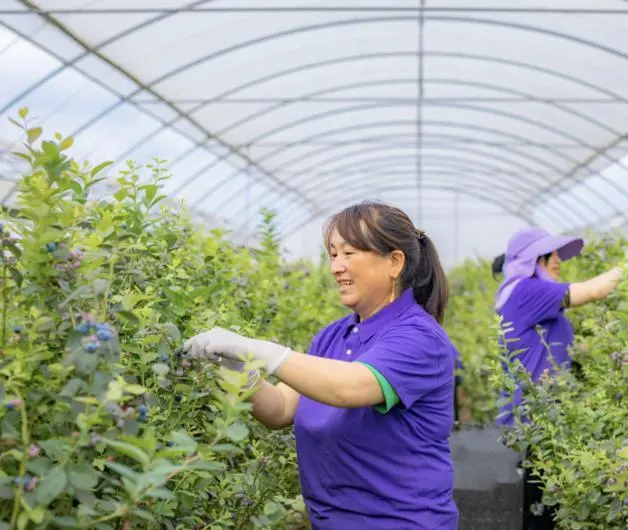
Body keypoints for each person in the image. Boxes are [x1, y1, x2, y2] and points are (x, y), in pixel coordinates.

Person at [179, 201, 460, 530]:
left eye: (349, 253)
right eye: (332, 254)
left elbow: (349, 387)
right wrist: (238, 372)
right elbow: (282, 408)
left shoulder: (420, 338)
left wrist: (263, 350)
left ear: (394, 262)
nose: (336, 267)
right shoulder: (333, 336)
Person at [491, 227, 628, 530]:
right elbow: (593, 291)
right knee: (542, 509)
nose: (559, 260)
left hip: (546, 414)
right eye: (552, 254)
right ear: (533, 259)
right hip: (538, 418)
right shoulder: (526, 290)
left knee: (546, 505)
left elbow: (560, 346)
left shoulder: (529, 296)